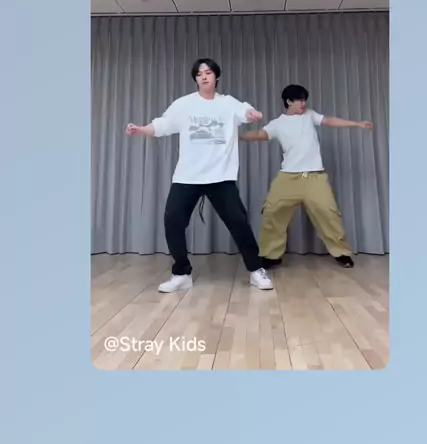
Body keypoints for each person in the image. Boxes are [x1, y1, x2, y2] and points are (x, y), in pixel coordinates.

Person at [125, 58, 273, 292]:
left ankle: (256, 270)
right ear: (196, 78)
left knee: (238, 222)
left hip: (220, 176)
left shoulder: (228, 103)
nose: (204, 76)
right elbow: (163, 125)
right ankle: (181, 273)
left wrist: (252, 113)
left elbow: (245, 112)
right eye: (199, 73)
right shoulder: (184, 104)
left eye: (208, 72)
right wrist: (141, 129)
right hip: (188, 176)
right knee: (173, 221)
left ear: (216, 77)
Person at [239, 84, 373, 269]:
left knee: (328, 213)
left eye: (304, 100)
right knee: (272, 212)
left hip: (314, 177)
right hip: (287, 178)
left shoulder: (310, 115)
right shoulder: (277, 123)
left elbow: (330, 120)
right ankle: (270, 255)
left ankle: (342, 253)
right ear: (289, 101)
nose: (303, 103)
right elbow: (259, 134)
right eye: (300, 100)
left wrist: (356, 124)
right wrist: (236, 136)